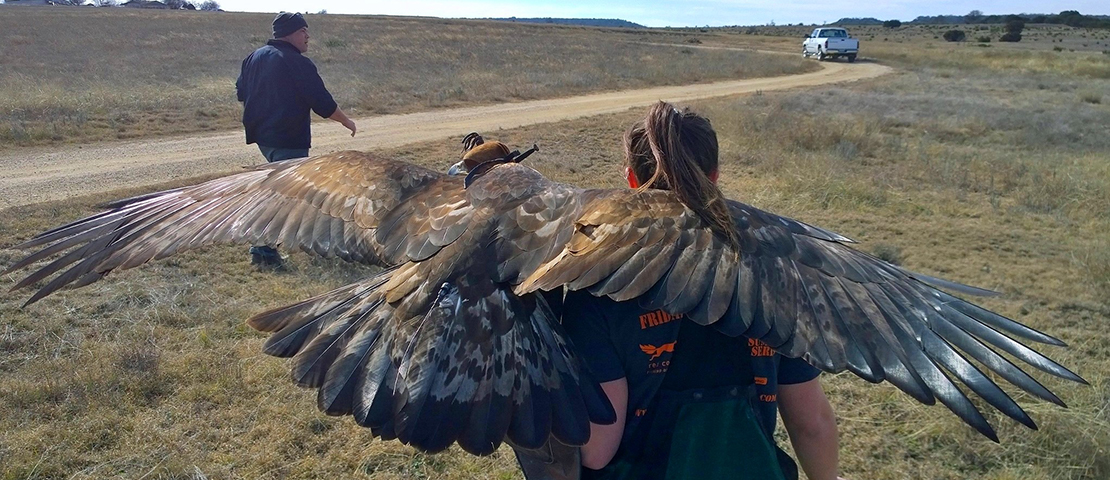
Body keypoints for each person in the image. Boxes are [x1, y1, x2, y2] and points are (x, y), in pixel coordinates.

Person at [560, 101, 842, 480]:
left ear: (630, 179)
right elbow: (812, 423)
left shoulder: (596, 285)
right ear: (715, 176)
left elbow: (596, 449)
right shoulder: (776, 272)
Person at [235, 12, 357, 266]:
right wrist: (346, 121)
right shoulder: (296, 62)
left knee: (281, 190)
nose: (307, 36)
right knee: (285, 196)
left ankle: (284, 244)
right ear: (291, 33)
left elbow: (241, 93)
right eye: (303, 31)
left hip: (262, 137)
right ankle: (263, 251)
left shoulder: (253, 57)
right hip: (288, 138)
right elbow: (321, 102)